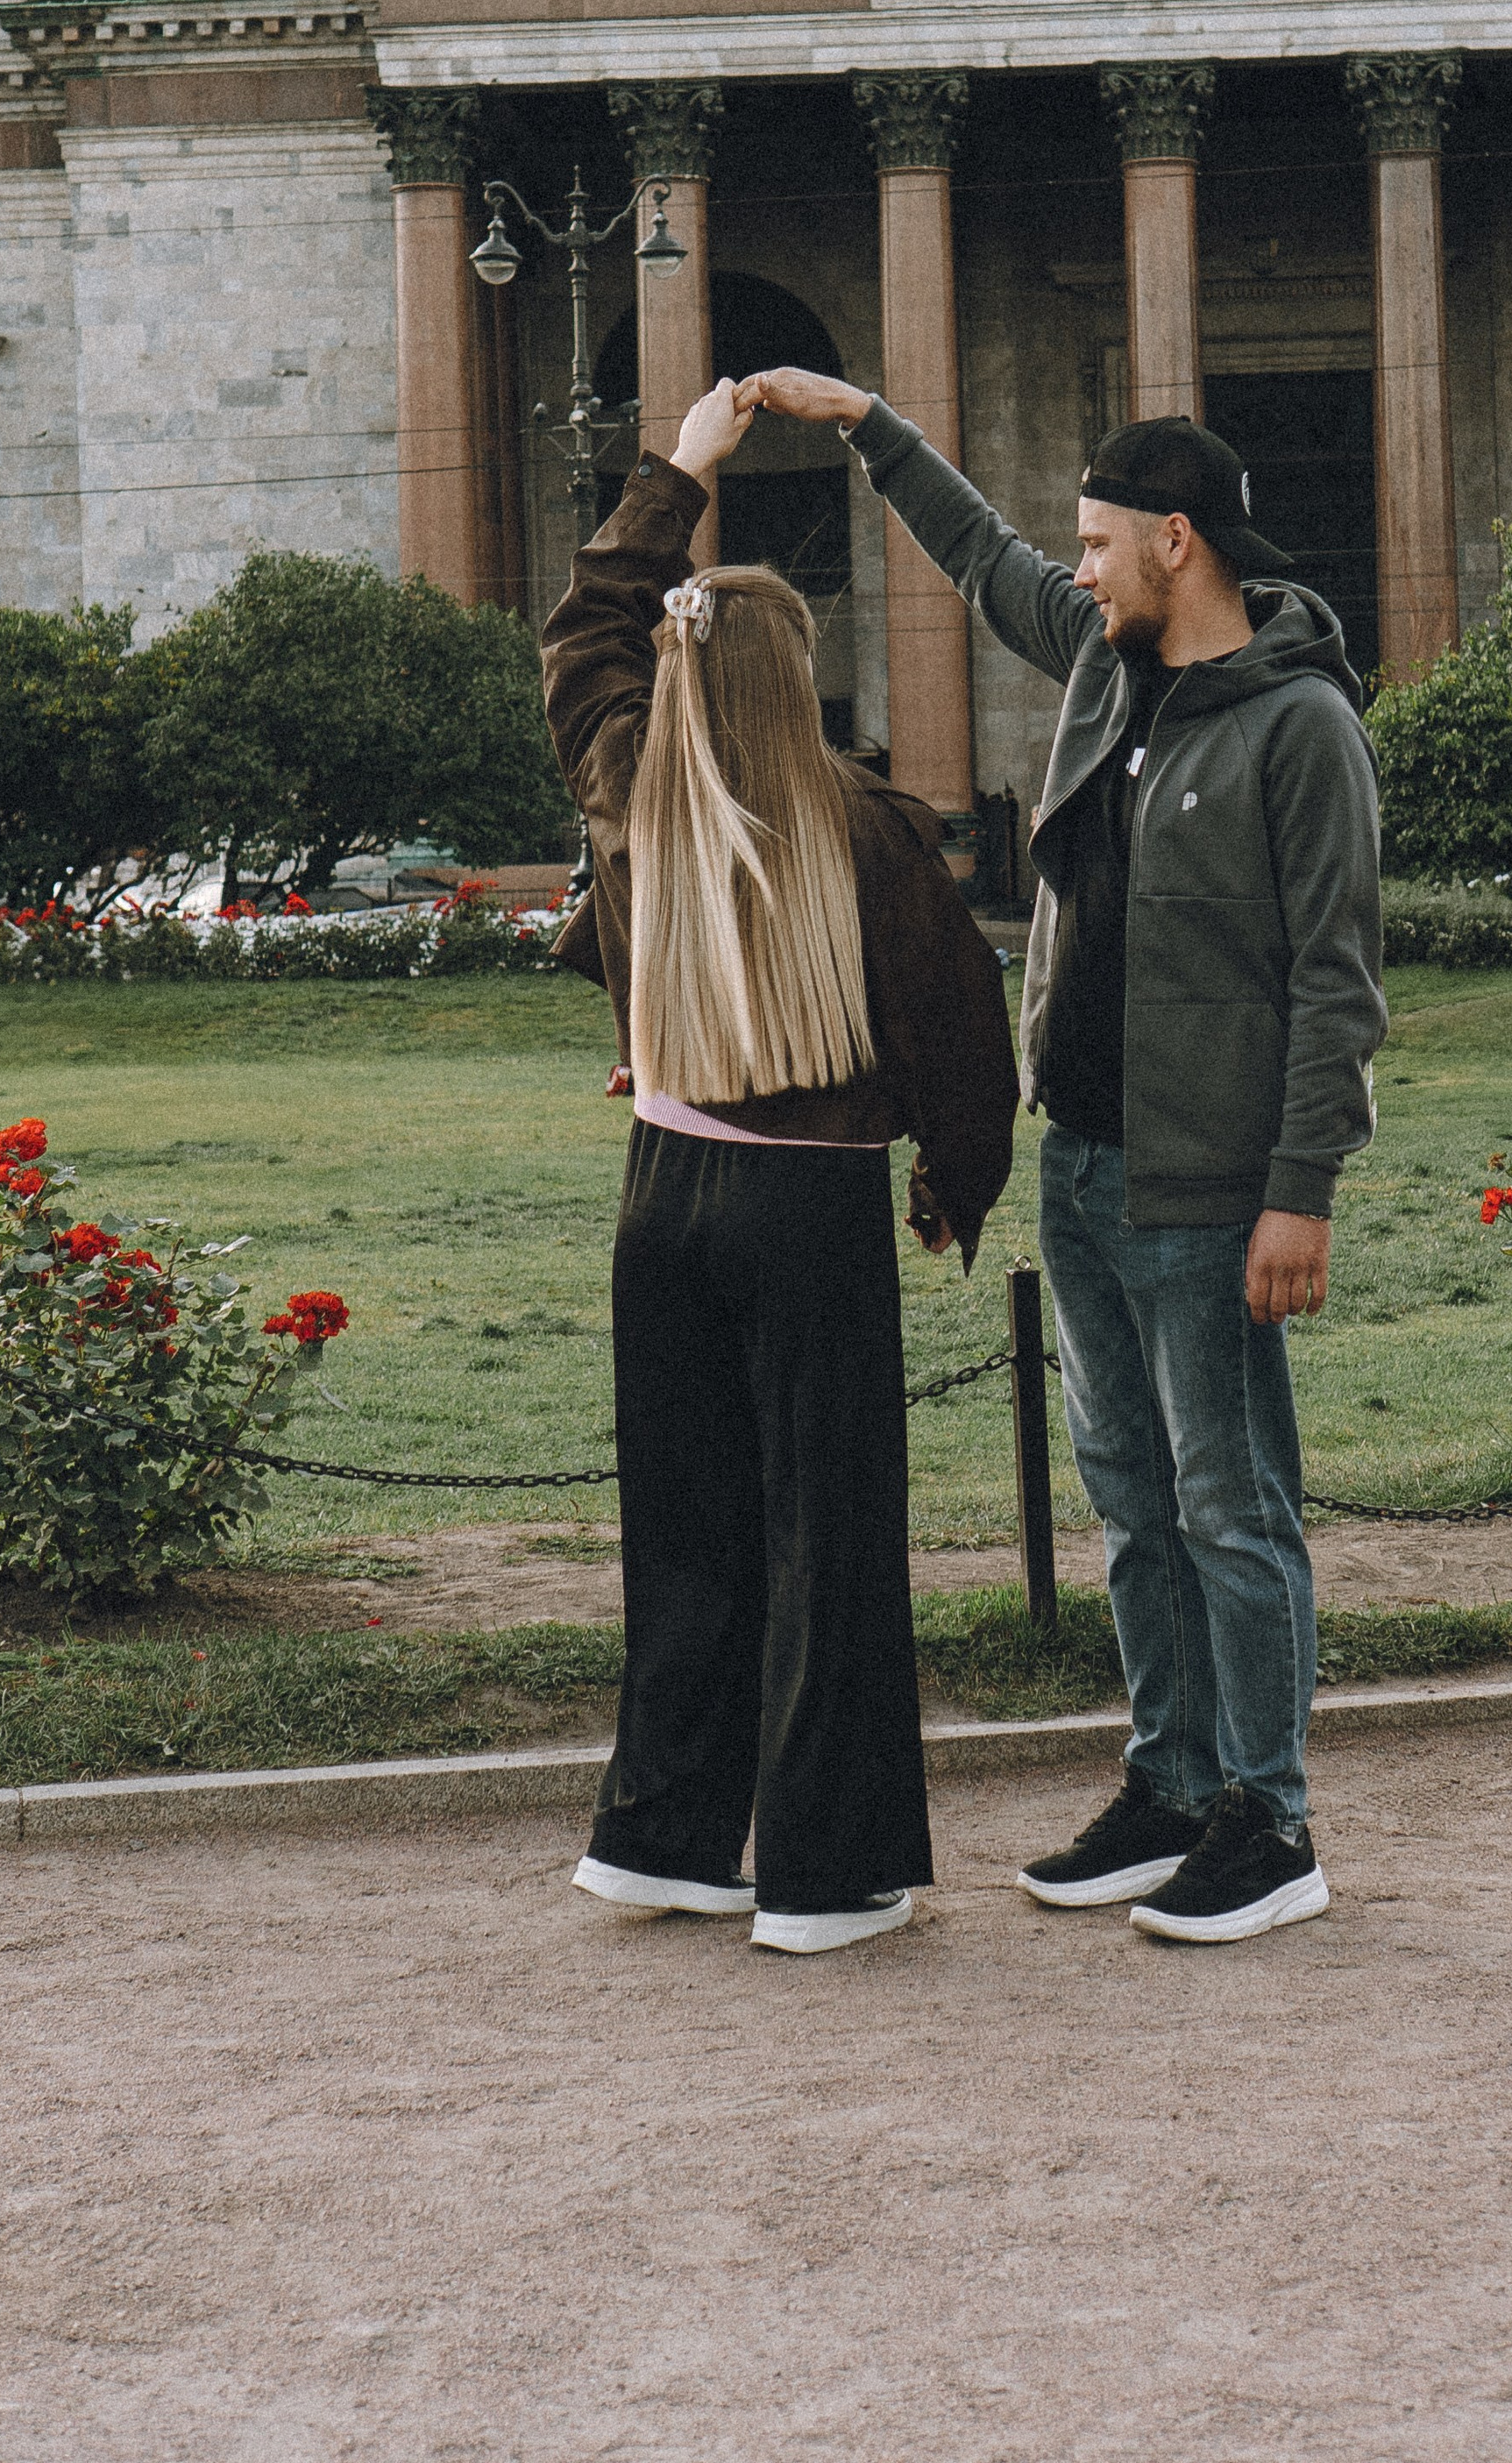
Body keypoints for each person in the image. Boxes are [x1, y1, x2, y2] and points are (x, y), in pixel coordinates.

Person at [754, 373, 1384, 1946]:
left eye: (1100, 544)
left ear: (1179, 542)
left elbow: (1336, 983)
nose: (1077, 568)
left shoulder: (1301, 726)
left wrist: (1297, 1193)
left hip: (1214, 1187)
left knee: (1230, 1502)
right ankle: (1172, 1784)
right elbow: (982, 559)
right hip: (1087, 1170)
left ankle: (1271, 1817)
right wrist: (868, 426)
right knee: (1129, 1496)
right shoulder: (1113, 674)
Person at [542, 378, 1020, 1956]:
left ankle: (660, 1835)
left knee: (685, 1530)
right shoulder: (863, 827)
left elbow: (582, 633)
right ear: (796, 682)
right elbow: (963, 1039)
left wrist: (680, 472)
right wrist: (954, 1181)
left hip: (656, 1194)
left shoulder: (627, 788)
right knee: (830, 1538)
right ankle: (825, 1875)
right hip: (806, 1205)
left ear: (673, 675)